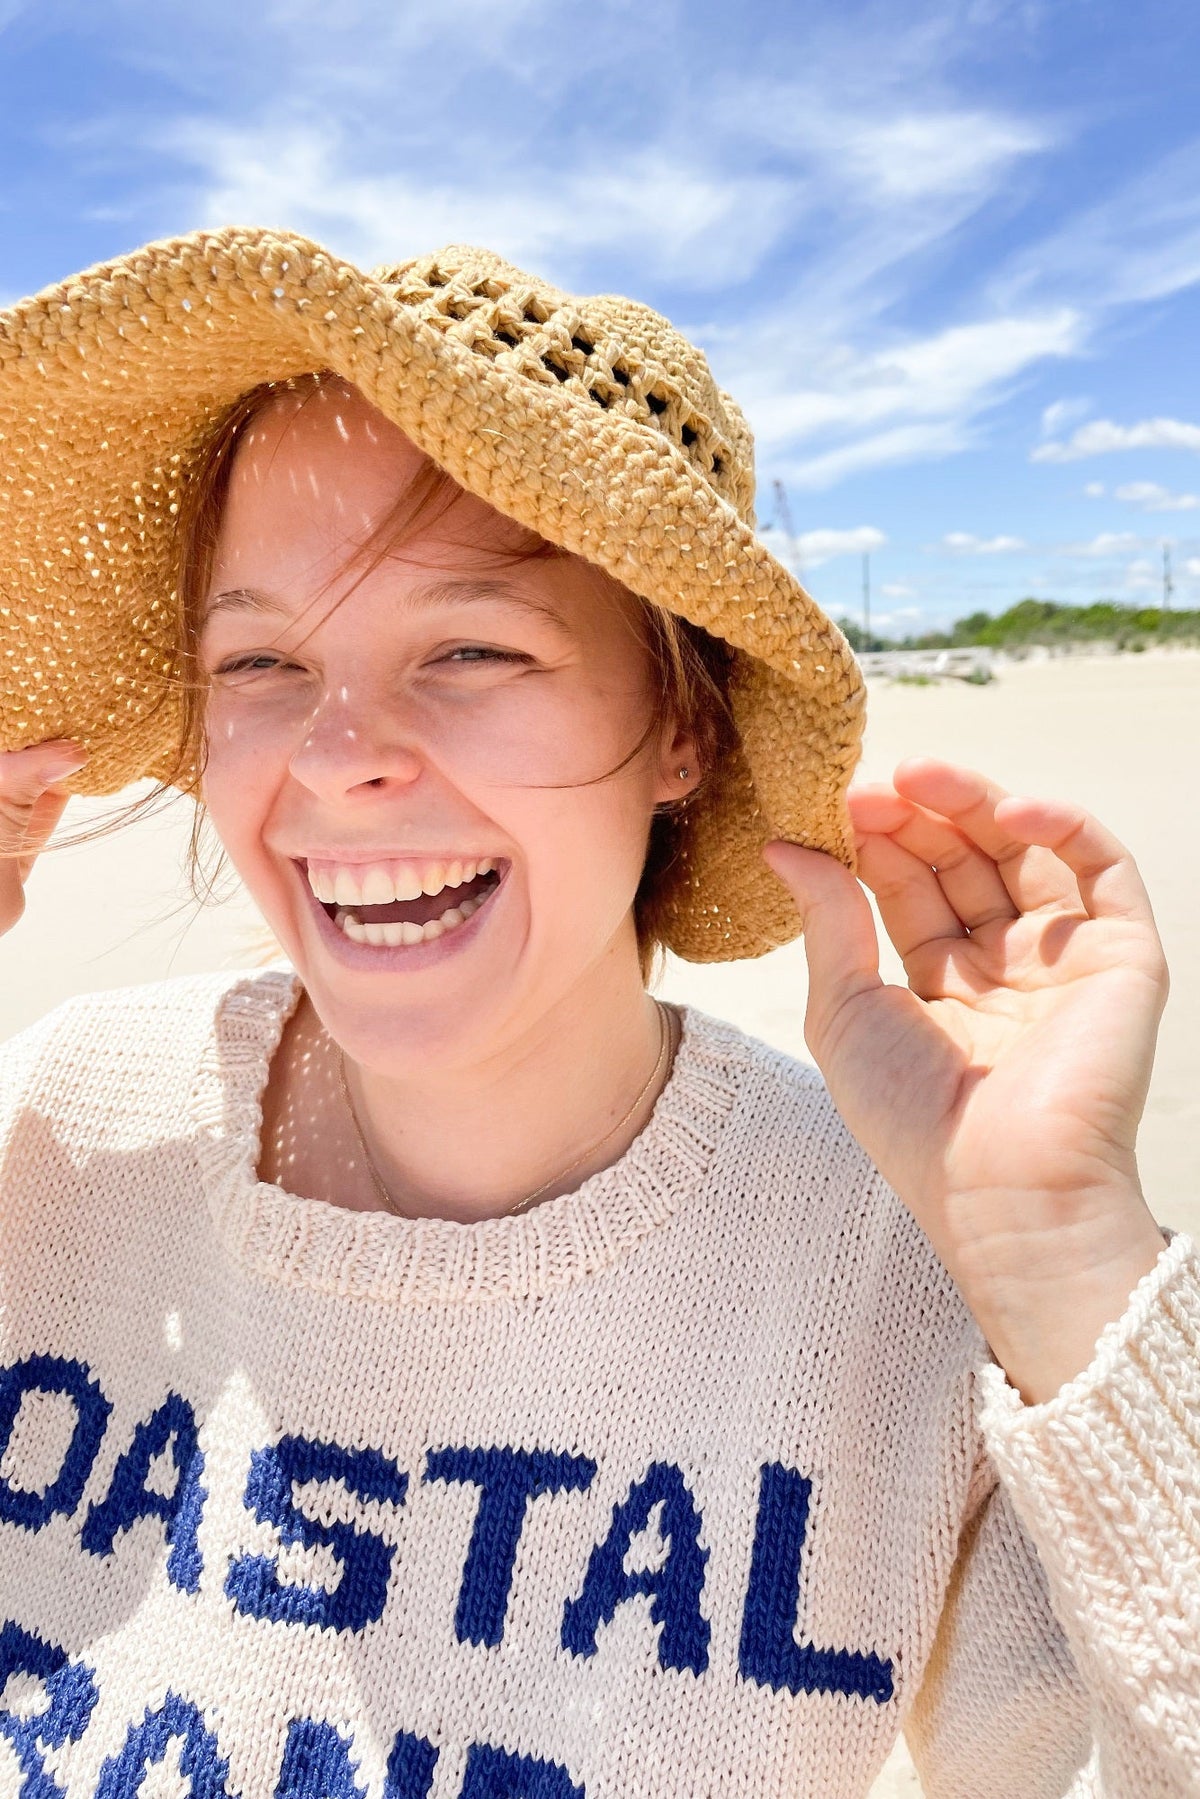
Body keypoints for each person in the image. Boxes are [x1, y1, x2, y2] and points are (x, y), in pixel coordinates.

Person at [0, 230, 1195, 1799]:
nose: (338, 754)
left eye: (473, 646)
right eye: (266, 659)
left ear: (681, 732)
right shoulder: (66, 1130)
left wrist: (1063, 1253)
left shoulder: (901, 1270)